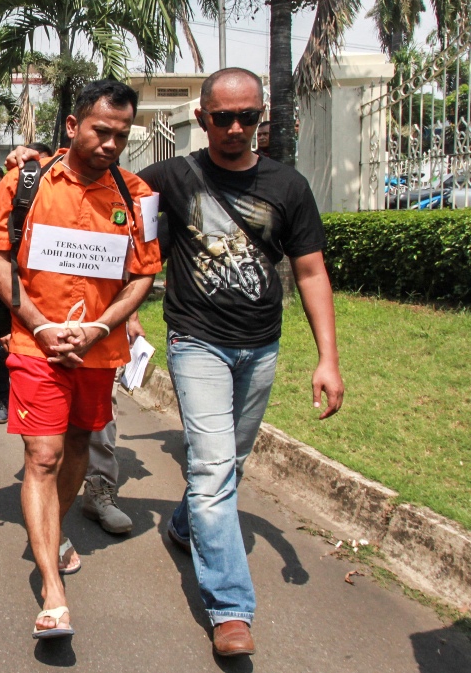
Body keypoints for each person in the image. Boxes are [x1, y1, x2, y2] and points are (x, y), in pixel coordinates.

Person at [137, 67, 343, 657]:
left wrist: (328, 358)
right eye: (222, 117)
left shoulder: (288, 186)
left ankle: (183, 526)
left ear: (262, 118)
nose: (235, 128)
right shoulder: (174, 175)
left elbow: (310, 271)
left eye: (247, 117)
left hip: (261, 345)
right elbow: (100, 187)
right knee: (211, 466)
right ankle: (230, 608)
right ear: (201, 118)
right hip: (196, 340)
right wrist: (39, 161)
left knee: (231, 460)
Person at [0, 80, 161, 639]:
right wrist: (39, 323)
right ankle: (52, 590)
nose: (110, 143)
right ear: (72, 126)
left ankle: (54, 529)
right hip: (36, 345)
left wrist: (99, 328)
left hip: (98, 350)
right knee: (42, 455)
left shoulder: (139, 197)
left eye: (121, 135)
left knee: (79, 444)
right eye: (100, 130)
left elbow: (143, 274)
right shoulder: (24, 181)